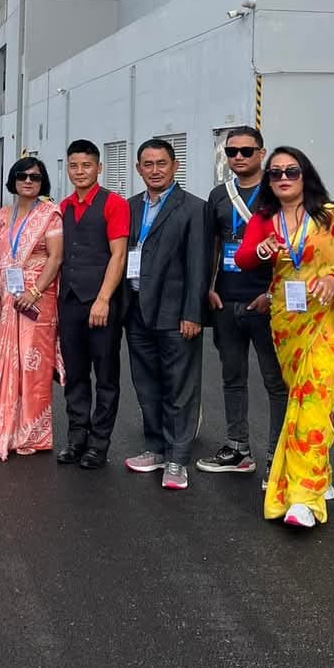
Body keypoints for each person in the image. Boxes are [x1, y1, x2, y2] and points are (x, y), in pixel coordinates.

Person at [235, 146, 334, 530]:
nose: (283, 178)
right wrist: (262, 250)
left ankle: (304, 497)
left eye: (292, 171)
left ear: (306, 175)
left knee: (312, 398)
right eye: (275, 173)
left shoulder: (331, 216)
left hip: (328, 322)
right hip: (288, 323)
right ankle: (320, 474)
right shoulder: (265, 218)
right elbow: (243, 258)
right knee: (306, 402)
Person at [197, 127, 287, 479]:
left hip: (266, 303)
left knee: (276, 383)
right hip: (226, 301)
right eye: (231, 151)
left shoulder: (278, 192)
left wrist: (272, 294)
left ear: (261, 153)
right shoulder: (219, 195)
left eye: (246, 151)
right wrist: (208, 287)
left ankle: (278, 457)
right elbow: (212, 246)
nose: (238, 157)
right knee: (232, 378)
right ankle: (238, 448)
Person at [122, 138, 207, 491]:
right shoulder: (130, 207)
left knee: (179, 387)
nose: (155, 170)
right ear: (138, 168)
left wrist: (193, 313)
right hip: (136, 310)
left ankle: (177, 458)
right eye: (148, 164)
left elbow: (198, 264)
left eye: (161, 163)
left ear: (174, 167)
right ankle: (155, 448)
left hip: (175, 314)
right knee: (146, 384)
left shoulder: (193, 208)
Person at [0, 157, 63, 460]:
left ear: (42, 181)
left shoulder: (50, 214)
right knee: (8, 362)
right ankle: (6, 428)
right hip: (8, 299)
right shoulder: (1, 215)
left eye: (35, 177)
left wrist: (34, 292)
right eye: (22, 176)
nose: (28, 181)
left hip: (38, 299)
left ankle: (33, 433)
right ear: (13, 180)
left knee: (33, 365)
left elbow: (55, 258)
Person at [56, 138, 129, 469]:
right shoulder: (64, 206)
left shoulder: (114, 204)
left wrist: (103, 299)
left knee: (106, 376)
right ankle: (77, 438)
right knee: (75, 374)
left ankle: (99, 444)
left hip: (101, 303)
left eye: (86, 165)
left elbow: (118, 255)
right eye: (74, 166)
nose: (80, 171)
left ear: (99, 168)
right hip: (70, 301)